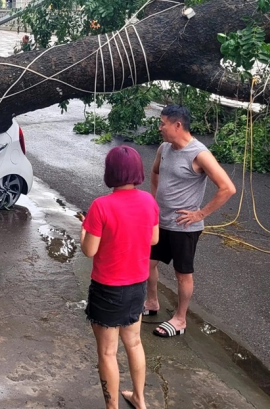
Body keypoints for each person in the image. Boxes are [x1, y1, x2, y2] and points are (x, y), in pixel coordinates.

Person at [145, 105, 236, 338]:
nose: (159, 127)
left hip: (184, 227)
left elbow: (227, 188)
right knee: (147, 264)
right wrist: (153, 202)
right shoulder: (164, 149)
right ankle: (152, 302)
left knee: (182, 274)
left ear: (177, 125)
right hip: (160, 222)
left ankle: (180, 319)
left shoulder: (199, 154)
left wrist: (200, 214)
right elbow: (155, 173)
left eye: (163, 123)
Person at [81, 146, 159, 409]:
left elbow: (89, 250)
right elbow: (154, 239)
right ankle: (139, 399)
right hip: (137, 286)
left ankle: (112, 407)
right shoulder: (149, 201)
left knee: (107, 352)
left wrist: (83, 231)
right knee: (134, 342)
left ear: (110, 172)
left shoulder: (101, 206)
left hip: (107, 290)